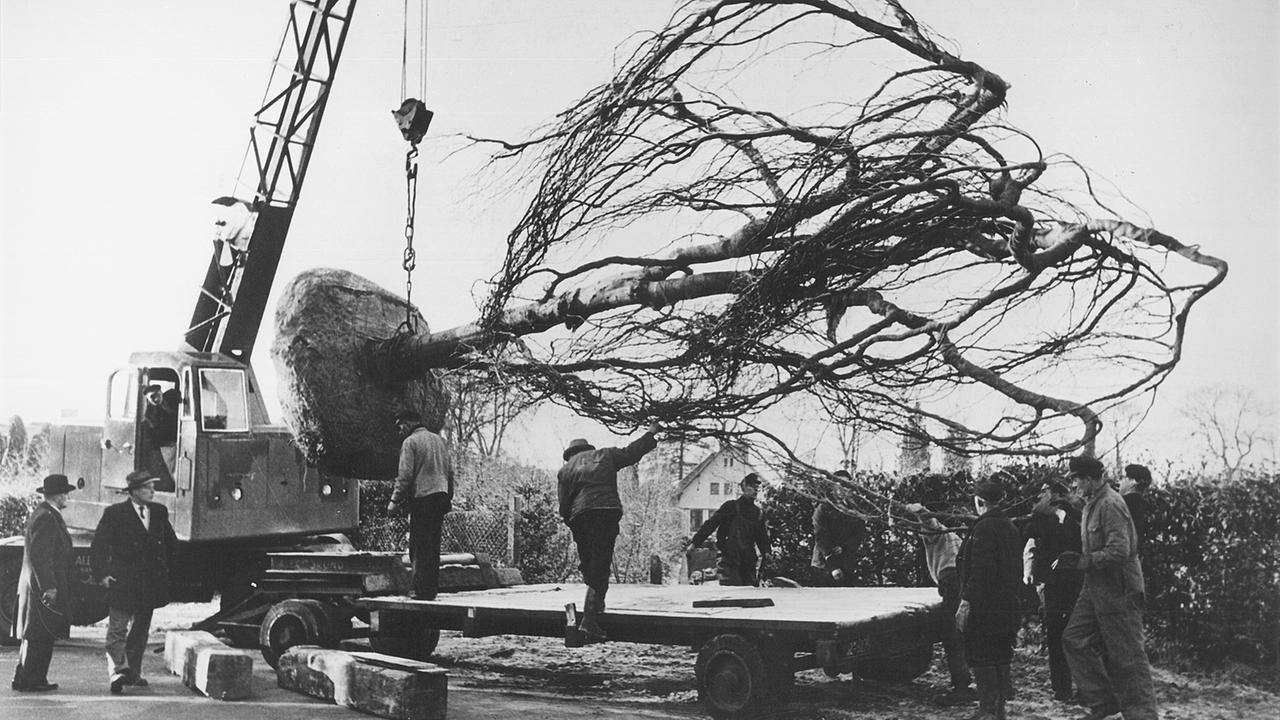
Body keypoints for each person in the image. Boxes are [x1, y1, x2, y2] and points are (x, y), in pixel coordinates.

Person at [1058, 455, 1157, 720]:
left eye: (1077, 480)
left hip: (1119, 589)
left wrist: (1083, 562)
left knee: (1128, 657)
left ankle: (1143, 715)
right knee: (1074, 639)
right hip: (1095, 588)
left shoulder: (1111, 504)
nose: (1075, 486)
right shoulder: (1094, 502)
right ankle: (1104, 704)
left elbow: (1119, 551)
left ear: (1090, 479)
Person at [558, 423, 660, 642]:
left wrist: (573, 523)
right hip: (605, 512)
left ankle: (594, 610)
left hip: (580, 516)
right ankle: (590, 619)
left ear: (571, 454)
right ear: (587, 449)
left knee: (589, 562)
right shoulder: (605, 455)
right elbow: (631, 453)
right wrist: (651, 433)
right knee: (600, 563)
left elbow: (563, 506)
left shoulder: (565, 470)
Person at [90, 470, 178, 694]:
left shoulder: (159, 512)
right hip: (123, 583)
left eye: (152, 486)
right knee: (117, 630)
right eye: (148, 487)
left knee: (140, 631)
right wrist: (102, 575)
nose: (153, 491)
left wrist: (167, 572)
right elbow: (98, 546)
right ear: (135, 492)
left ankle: (134, 673)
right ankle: (118, 672)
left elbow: (171, 544)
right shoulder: (115, 513)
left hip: (149, 584)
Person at [955, 477, 1022, 720]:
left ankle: (988, 711)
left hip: (986, 609)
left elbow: (982, 571)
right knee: (1000, 656)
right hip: (1007, 607)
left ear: (980, 502)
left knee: (982, 655)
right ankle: (997, 711)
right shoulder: (1009, 526)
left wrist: (966, 602)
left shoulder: (984, 528)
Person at [1017, 478, 1083, 702]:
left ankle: (1081, 688)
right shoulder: (1041, 516)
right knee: (1057, 635)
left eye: (1045, 492)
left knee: (1077, 636)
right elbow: (1029, 536)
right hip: (1054, 583)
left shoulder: (1077, 514)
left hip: (1075, 581)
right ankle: (1062, 688)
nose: (1041, 496)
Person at [904, 498, 975, 706]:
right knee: (960, 632)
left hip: (951, 580)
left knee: (951, 634)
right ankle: (969, 682)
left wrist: (918, 509)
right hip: (960, 579)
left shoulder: (938, 533)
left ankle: (961, 687)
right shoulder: (955, 537)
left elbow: (929, 521)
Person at [11, 474, 76, 692]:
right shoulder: (47, 517)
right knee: (39, 634)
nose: (67, 496)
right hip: (42, 588)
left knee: (41, 633)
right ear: (57, 495)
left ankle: (31, 678)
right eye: (65, 492)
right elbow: (41, 556)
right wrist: (49, 586)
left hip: (40, 586)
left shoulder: (47, 514)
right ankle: (30, 680)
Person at [387, 409, 455, 600]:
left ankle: (420, 590)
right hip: (440, 497)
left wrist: (394, 501)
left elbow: (405, 476)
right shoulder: (439, 441)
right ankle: (431, 589)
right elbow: (450, 472)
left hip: (423, 498)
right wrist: (448, 496)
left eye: (400, 426)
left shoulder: (410, 442)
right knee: (433, 545)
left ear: (408, 423)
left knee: (419, 546)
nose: (399, 431)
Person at [685, 473, 771, 587]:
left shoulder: (758, 513)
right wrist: (695, 543)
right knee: (731, 593)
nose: (755, 490)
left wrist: (766, 552)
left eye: (757, 487)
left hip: (748, 563)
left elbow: (762, 537)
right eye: (752, 486)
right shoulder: (730, 507)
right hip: (729, 561)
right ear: (744, 486)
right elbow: (711, 524)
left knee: (749, 594)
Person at [810, 470, 867, 586]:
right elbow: (821, 537)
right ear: (832, 487)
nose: (843, 489)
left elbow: (859, 533)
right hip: (824, 564)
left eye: (846, 485)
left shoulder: (855, 509)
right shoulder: (823, 508)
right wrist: (833, 565)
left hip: (846, 561)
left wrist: (845, 547)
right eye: (839, 485)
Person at [141, 384, 177, 491]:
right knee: (170, 472)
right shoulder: (149, 413)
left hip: (177, 443)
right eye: (152, 398)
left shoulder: (171, 398)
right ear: (148, 399)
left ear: (161, 392)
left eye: (157, 395)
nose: (156, 399)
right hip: (165, 447)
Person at [1120, 464, 1151, 556]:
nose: (1120, 482)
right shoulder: (1143, 503)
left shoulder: (1125, 502)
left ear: (1132, 482)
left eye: (1123, 478)